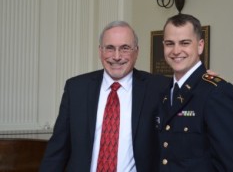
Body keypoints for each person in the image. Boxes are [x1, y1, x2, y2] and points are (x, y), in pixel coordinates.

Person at [39, 21, 169, 172]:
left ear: (136, 51)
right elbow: (57, 151)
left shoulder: (159, 88)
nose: (117, 56)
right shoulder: (76, 89)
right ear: (100, 51)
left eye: (125, 48)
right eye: (110, 48)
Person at [155, 14, 233, 171]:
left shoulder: (218, 92)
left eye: (185, 43)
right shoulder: (165, 93)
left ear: (200, 46)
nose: (176, 51)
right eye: (170, 43)